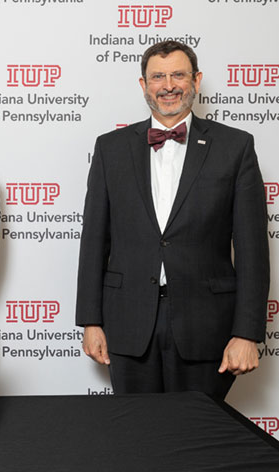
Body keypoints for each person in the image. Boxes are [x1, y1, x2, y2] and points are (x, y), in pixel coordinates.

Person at [76, 40, 269, 400]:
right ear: (143, 84)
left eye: (178, 75)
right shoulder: (110, 148)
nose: (168, 86)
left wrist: (247, 333)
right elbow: (94, 241)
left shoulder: (235, 147)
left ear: (196, 80)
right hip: (128, 323)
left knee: (200, 442)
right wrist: (90, 321)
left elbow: (252, 250)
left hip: (207, 325)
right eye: (158, 77)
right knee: (137, 439)